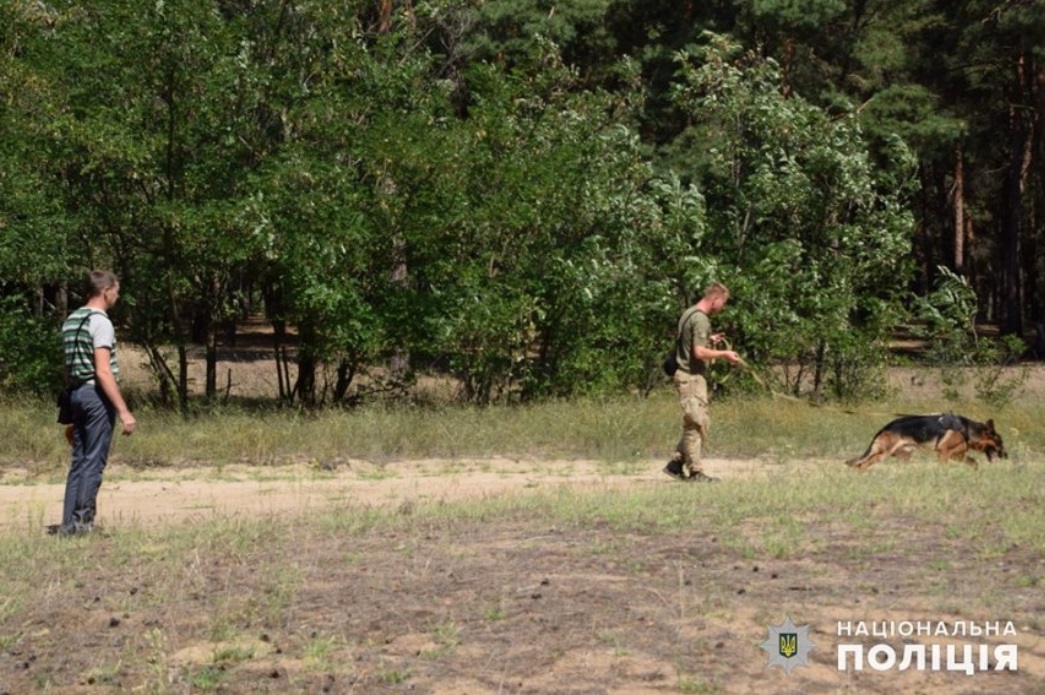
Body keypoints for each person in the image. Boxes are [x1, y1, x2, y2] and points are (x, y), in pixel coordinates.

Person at [58, 270, 137, 535]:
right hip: (95, 398)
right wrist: (124, 411)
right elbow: (103, 371)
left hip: (77, 394)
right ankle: (83, 524)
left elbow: (68, 367)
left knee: (79, 460)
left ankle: (69, 523)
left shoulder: (71, 320)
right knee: (93, 461)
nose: (117, 296)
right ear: (106, 291)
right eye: (116, 291)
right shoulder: (101, 322)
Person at [664, 282, 740, 482]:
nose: (722, 307)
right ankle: (696, 471)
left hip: (688, 376)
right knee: (695, 424)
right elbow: (698, 352)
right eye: (722, 302)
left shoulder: (689, 313)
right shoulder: (701, 320)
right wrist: (725, 354)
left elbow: (690, 344)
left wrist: (709, 339)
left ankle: (676, 463)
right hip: (691, 378)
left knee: (701, 421)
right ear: (715, 299)